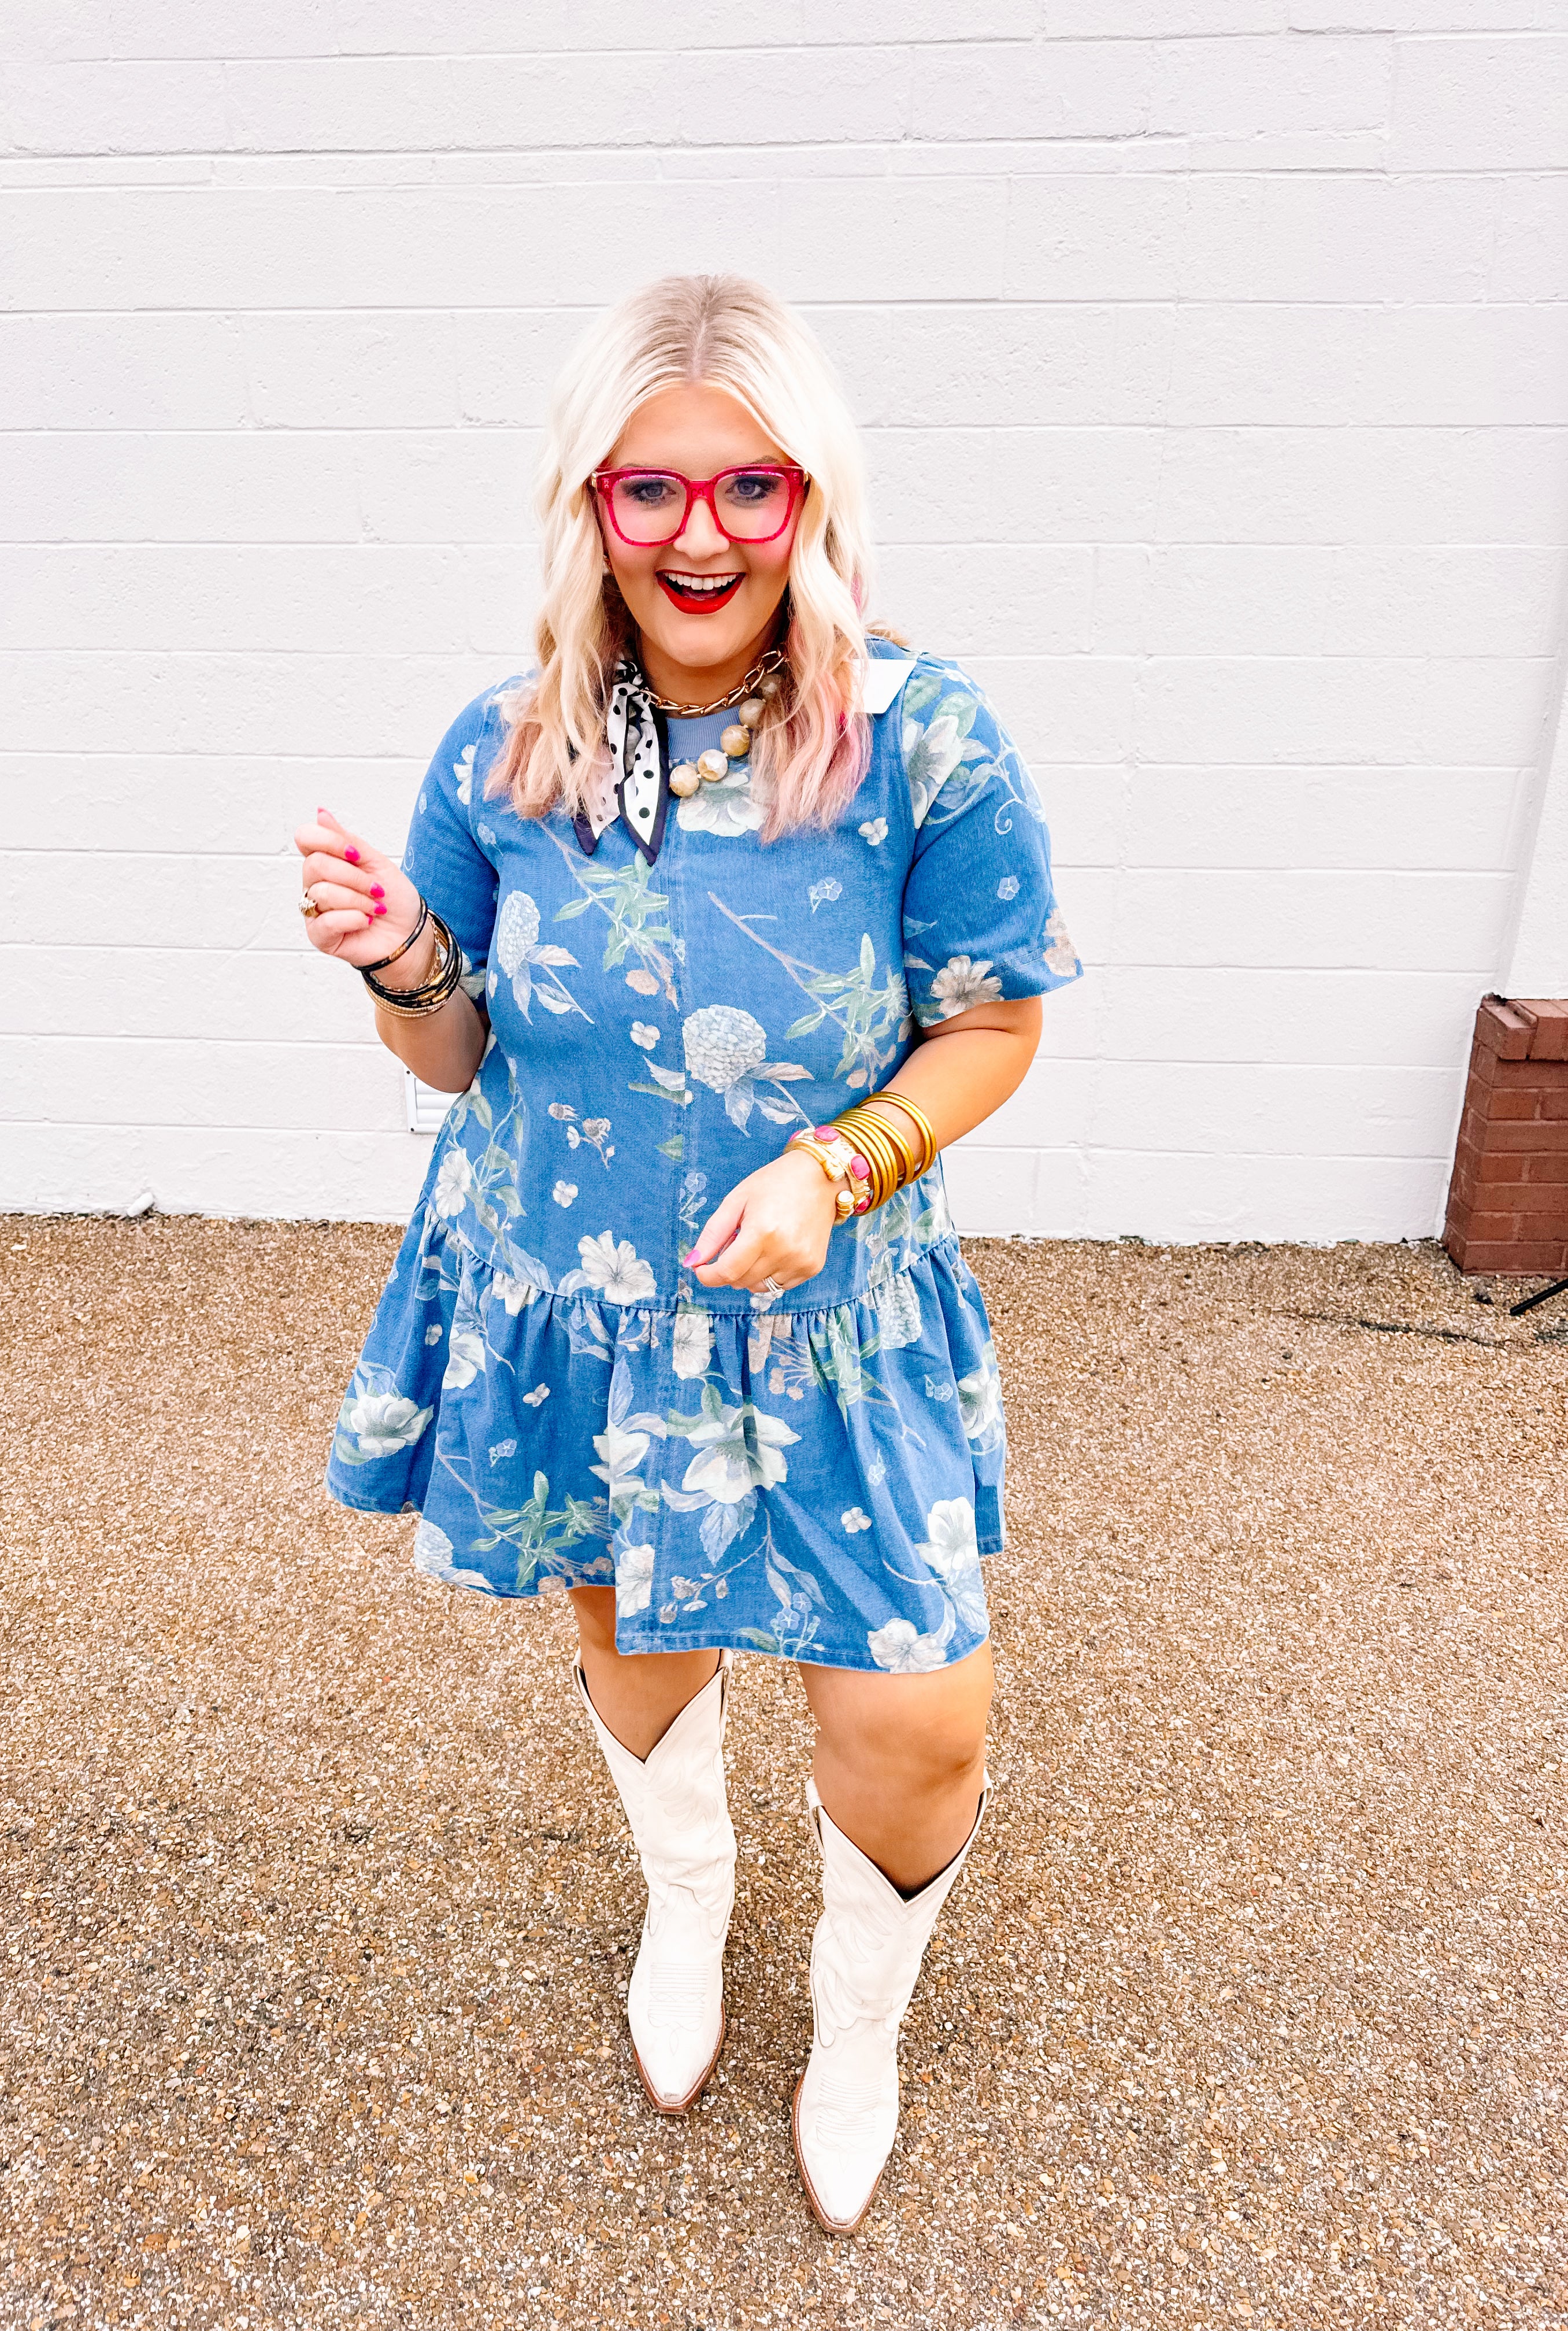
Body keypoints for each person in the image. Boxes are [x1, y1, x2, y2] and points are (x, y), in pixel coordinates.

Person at [293, 273, 1081, 2234]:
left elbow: (993, 1024)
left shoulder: (924, 740)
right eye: (651, 490)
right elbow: (454, 1050)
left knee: (917, 1712)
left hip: (831, 1309)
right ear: (594, 505)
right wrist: (402, 960)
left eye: (749, 486)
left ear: (812, 495)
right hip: (576, 1300)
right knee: (636, 1631)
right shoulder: (507, 746)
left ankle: (858, 2018)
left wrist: (840, 1162)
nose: (702, 534)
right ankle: (689, 1900)